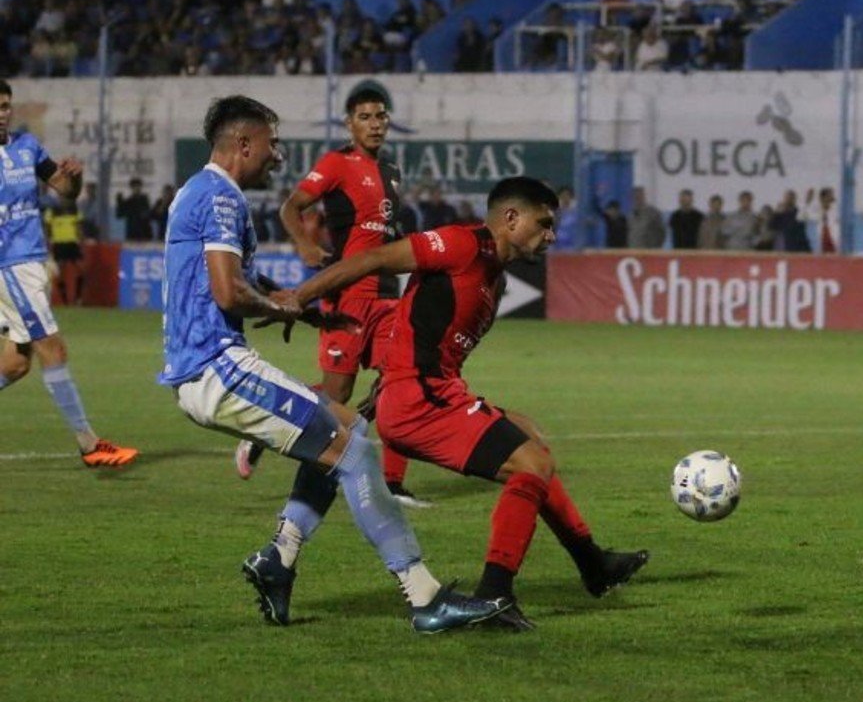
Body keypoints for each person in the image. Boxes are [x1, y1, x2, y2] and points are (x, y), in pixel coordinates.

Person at [162, 95, 504, 633]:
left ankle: (280, 558)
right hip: (216, 366)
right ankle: (425, 597)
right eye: (272, 147)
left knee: (351, 428)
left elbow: (223, 286)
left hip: (207, 365)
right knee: (355, 452)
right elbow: (228, 293)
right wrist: (278, 303)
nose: (276, 159)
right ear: (243, 143)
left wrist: (309, 313)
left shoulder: (197, 191)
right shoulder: (220, 196)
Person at [288, 176, 649, 629]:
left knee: (532, 441)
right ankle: (496, 594)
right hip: (420, 399)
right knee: (528, 465)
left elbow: (429, 340)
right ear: (511, 218)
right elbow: (376, 258)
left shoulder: (493, 282)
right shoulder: (460, 245)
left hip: (431, 392)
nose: (552, 235)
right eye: (544, 223)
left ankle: (592, 562)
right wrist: (298, 297)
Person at [234, 84, 426, 505]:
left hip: (387, 295)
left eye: (380, 116)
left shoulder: (391, 170)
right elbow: (291, 207)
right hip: (348, 293)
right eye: (365, 117)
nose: (375, 124)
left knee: (404, 378)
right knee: (335, 395)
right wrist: (303, 243)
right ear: (349, 123)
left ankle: (392, 485)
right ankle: (265, 421)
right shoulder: (338, 163)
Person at [0, 81, 137, 467]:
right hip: (10, 267)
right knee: (54, 349)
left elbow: (64, 191)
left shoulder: (27, 147)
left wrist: (72, 177)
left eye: (6, 105)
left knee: (15, 363)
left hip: (29, 263)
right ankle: (89, 444)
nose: (2, 113)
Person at [44, 195, 85, 306]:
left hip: (72, 243)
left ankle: (78, 299)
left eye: (66, 197)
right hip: (59, 244)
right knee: (60, 272)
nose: (64, 200)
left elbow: (79, 227)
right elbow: (47, 227)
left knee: (81, 269)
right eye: (62, 197)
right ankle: (65, 301)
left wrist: (81, 242)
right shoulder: (52, 211)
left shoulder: (75, 210)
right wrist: (49, 242)